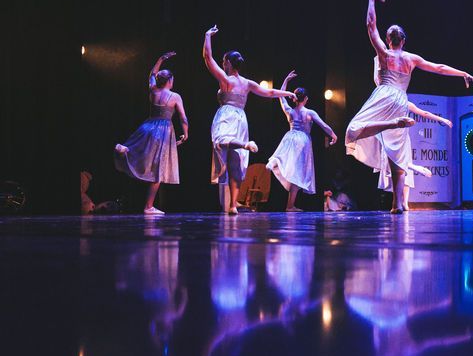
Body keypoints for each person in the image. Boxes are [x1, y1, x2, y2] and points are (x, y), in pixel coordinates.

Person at [346, 0, 473, 213]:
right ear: (404, 40)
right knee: (397, 152)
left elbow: (371, 27)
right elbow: (438, 68)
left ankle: (391, 126)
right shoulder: (411, 59)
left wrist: (371, 1)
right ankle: (397, 204)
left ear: (389, 40)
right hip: (400, 99)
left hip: (384, 95)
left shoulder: (384, 54)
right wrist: (463, 73)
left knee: (353, 130)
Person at [202, 25, 296, 215]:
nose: (222, 64)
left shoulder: (225, 80)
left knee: (220, 143)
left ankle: (244, 145)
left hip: (227, 115)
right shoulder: (246, 83)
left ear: (228, 63)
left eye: (224, 61)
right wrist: (287, 92)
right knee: (236, 163)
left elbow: (207, 58)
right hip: (241, 118)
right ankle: (233, 205)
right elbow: (269, 92)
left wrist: (207, 37)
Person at [114, 51, 188, 214]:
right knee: (158, 169)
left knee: (142, 153)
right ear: (169, 80)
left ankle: (127, 149)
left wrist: (161, 58)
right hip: (163, 131)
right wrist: (186, 133)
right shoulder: (175, 96)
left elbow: (151, 74)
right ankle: (148, 206)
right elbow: (183, 117)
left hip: (148, 126)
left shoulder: (153, 90)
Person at [267, 70, 338, 212]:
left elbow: (281, 97)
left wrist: (286, 80)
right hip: (302, 141)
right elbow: (323, 125)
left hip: (290, 138)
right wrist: (333, 135)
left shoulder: (290, 111)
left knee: (295, 172)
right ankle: (290, 205)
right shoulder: (309, 112)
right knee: (297, 172)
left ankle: (290, 205)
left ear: (294, 98)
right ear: (305, 98)